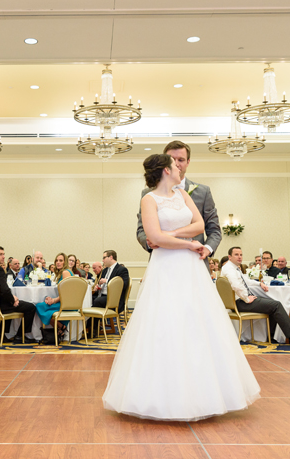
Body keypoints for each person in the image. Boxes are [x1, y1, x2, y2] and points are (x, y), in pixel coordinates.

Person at [104, 153, 260, 421]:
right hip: (166, 266)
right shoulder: (148, 199)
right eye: (175, 164)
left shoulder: (183, 195)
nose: (180, 167)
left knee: (197, 321)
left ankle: (205, 394)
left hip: (190, 267)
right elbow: (152, 237)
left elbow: (199, 225)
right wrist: (188, 243)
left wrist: (172, 235)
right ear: (165, 170)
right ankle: (160, 396)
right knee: (165, 322)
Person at [136, 141, 221, 262]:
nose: (176, 164)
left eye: (181, 160)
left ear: (188, 162)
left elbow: (213, 229)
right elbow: (142, 229)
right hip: (163, 256)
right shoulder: (148, 195)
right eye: (172, 159)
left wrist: (207, 248)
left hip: (196, 257)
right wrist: (151, 242)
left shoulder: (202, 191)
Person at [221, 246, 290, 346]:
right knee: (276, 304)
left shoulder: (233, 267)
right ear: (229, 257)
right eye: (236, 255)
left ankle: (271, 335)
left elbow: (245, 281)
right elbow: (236, 286)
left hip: (238, 301)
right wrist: (246, 298)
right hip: (239, 302)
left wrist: (259, 284)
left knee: (271, 302)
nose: (239, 257)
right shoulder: (229, 269)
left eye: (241, 254)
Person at [0, 246, 36, 344]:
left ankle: (0, 333)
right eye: (0, 254)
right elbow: (5, 290)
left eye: (4, 254)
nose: (3, 257)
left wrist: (10, 299)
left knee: (9, 303)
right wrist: (13, 300)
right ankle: (20, 335)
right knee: (30, 307)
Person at [36, 252, 75, 343]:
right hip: (65, 302)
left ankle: (61, 327)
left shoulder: (65, 272)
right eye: (56, 260)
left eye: (61, 260)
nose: (58, 262)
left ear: (65, 262)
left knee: (40, 306)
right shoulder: (64, 272)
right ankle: (61, 327)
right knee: (43, 306)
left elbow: (66, 292)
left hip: (67, 304)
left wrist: (53, 300)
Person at [92, 250, 130, 314]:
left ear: (111, 257)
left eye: (104, 258)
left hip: (114, 299)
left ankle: (92, 323)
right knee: (90, 299)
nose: (102, 260)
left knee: (97, 301)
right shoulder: (105, 270)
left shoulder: (122, 269)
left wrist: (107, 281)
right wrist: (98, 287)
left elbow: (123, 285)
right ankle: (93, 323)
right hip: (103, 296)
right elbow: (101, 284)